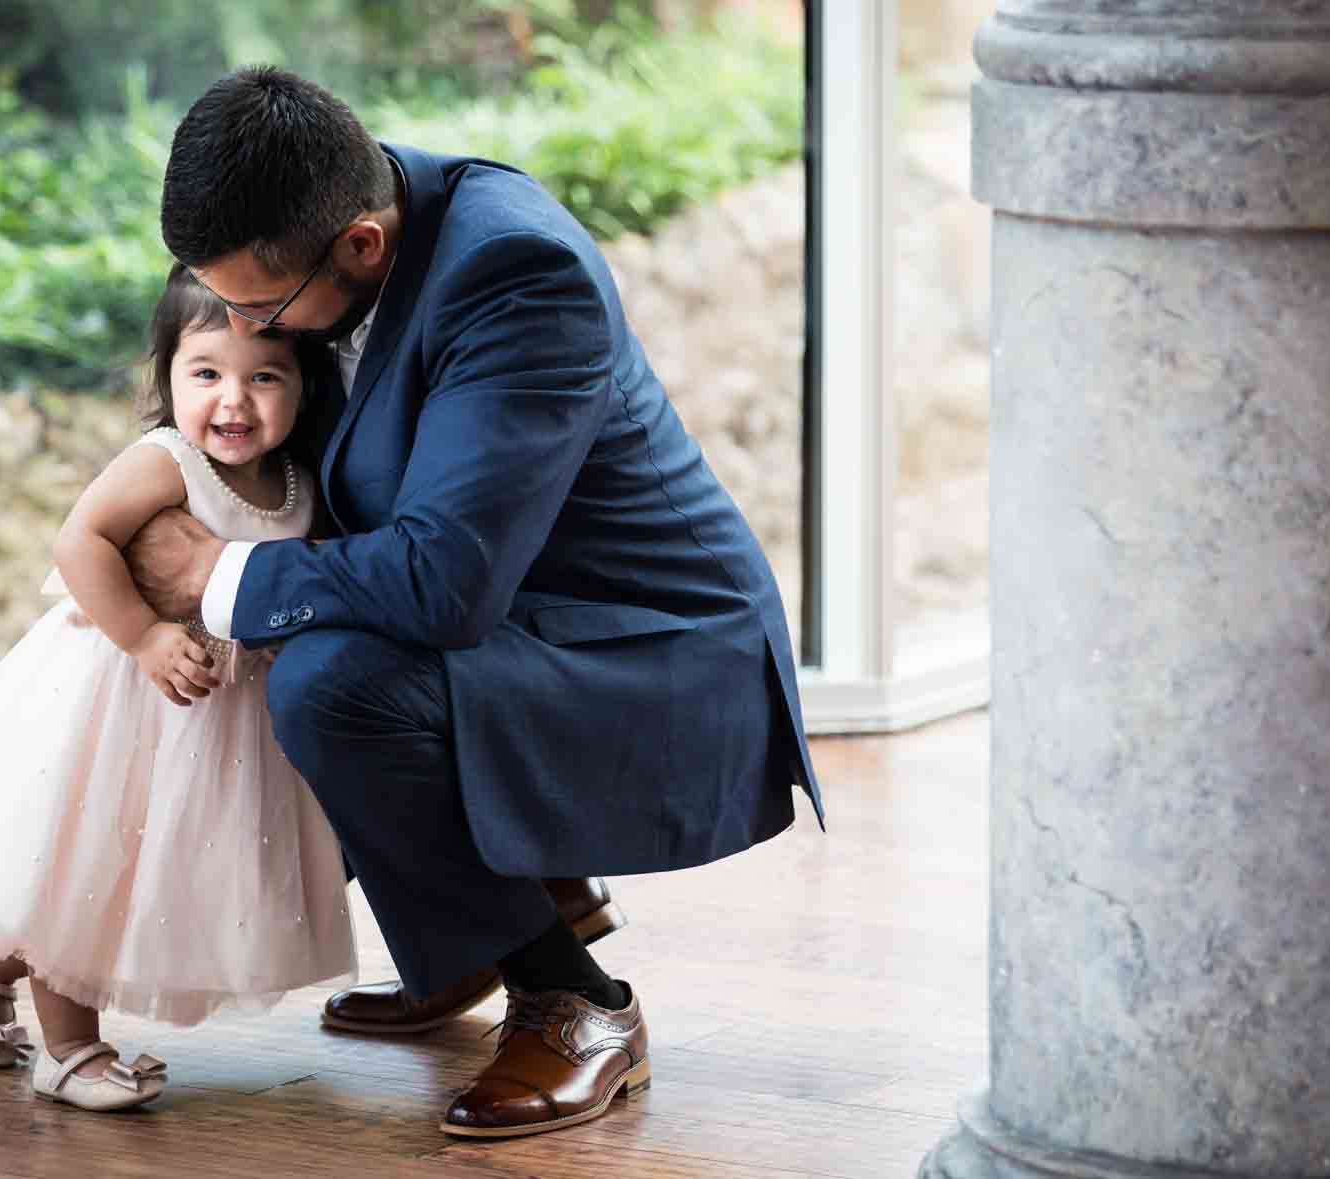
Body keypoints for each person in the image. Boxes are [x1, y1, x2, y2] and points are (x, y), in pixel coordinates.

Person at [128, 67, 825, 1138]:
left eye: (259, 312)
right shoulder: (329, 205)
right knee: (292, 643)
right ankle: (476, 933)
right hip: (529, 612)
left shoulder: (515, 273)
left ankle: (576, 1001)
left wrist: (211, 576)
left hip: (655, 652)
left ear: (360, 244)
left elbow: (442, 585)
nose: (241, 328)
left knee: (324, 679)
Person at [0, 264, 354, 1113]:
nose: (233, 401)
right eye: (205, 373)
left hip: (214, 720)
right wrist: (142, 635)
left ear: (304, 386)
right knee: (83, 864)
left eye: (264, 377)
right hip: (119, 697)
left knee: (138, 869)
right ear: (167, 376)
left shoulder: (297, 485)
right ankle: (69, 1048)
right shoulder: (168, 462)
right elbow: (80, 539)